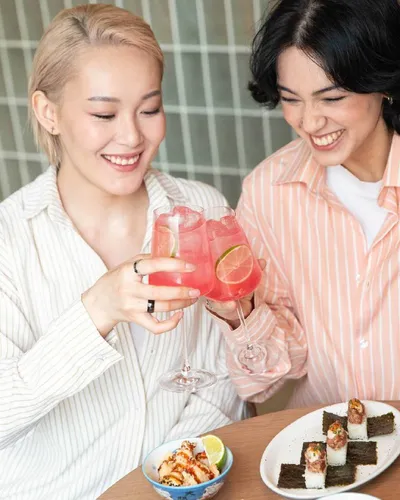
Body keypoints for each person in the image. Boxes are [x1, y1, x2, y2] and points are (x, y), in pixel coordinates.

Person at [0, 4, 250, 499]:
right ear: (48, 112)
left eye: (149, 109)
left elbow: (221, 383)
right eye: (103, 114)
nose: (133, 136)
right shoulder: (9, 241)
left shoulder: (200, 210)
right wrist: (96, 311)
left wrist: (165, 481)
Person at [206, 0, 400, 408]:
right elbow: (265, 379)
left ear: (382, 82)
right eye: (291, 99)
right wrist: (240, 313)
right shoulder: (269, 192)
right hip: (328, 440)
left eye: (331, 98)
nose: (309, 122)